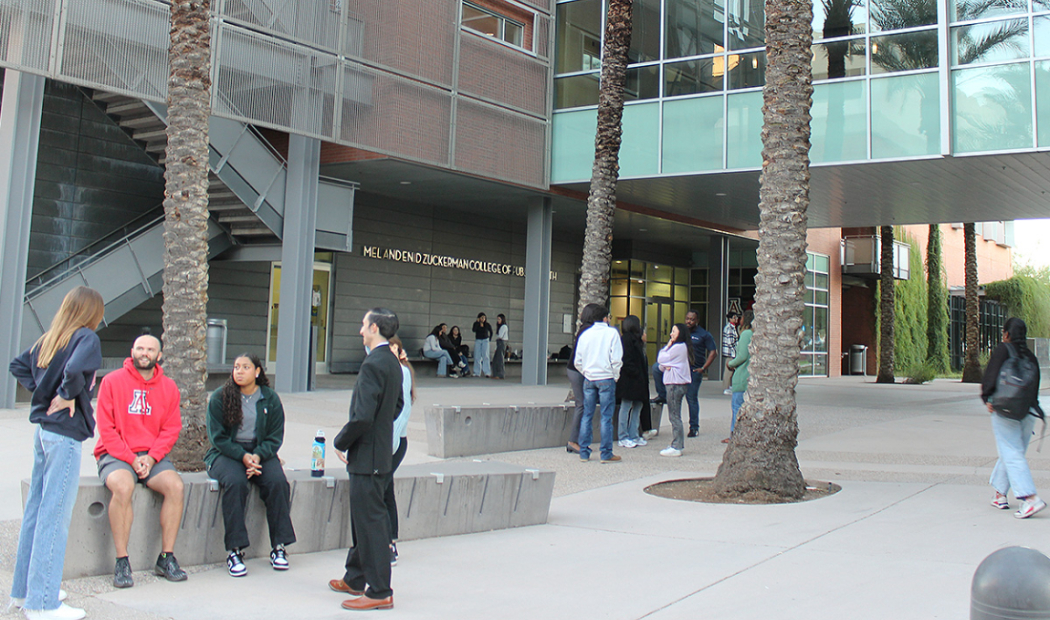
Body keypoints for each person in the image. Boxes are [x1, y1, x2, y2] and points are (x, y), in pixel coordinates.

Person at [9, 286, 104, 620]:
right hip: (62, 433)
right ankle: (43, 602)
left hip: (43, 432)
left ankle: (26, 592)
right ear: (92, 311)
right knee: (55, 516)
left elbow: (18, 366)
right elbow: (76, 370)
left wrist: (43, 392)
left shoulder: (51, 338)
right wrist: (64, 394)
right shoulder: (85, 338)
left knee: (36, 512)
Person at [94, 335, 186, 588]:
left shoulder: (168, 387)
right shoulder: (112, 382)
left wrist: (152, 456)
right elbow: (106, 428)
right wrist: (130, 459)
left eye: (150, 349)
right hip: (116, 454)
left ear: (159, 355)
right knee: (123, 487)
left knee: (176, 487)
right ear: (132, 350)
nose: (144, 353)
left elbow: (171, 429)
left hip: (152, 456)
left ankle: (166, 557)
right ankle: (122, 561)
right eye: (140, 348)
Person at [329, 308, 403, 611]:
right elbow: (396, 405)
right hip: (380, 453)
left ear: (374, 328)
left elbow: (362, 416)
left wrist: (341, 442)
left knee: (371, 522)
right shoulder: (393, 362)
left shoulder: (373, 363)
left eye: (363, 325)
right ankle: (356, 577)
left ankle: (379, 591)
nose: (361, 330)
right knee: (365, 518)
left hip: (367, 456)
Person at [205, 354, 296, 577]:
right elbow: (217, 438)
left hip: (260, 451)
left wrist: (257, 455)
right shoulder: (220, 397)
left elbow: (275, 436)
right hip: (226, 452)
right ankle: (235, 551)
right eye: (236, 367)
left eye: (246, 367)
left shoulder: (270, 398)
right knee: (236, 483)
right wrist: (243, 457)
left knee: (276, 483)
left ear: (257, 372)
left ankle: (279, 547)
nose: (239, 371)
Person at [982, 317, 1046, 519]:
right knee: (1013, 451)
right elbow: (1035, 385)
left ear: (1006, 334)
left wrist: (987, 398)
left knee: (1011, 452)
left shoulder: (1003, 349)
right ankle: (1000, 494)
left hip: (1005, 409)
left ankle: (1029, 498)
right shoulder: (1030, 355)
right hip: (1027, 411)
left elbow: (990, 377)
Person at [573, 304, 623, 463]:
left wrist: (586, 372)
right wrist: (615, 375)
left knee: (587, 415)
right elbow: (616, 358)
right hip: (606, 377)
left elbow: (577, 361)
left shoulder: (585, 335)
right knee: (606, 416)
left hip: (589, 378)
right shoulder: (612, 333)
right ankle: (606, 453)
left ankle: (584, 452)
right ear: (605, 318)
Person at [385, 336, 414, 566]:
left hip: (394, 442)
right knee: (384, 488)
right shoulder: (385, 370)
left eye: (393, 349)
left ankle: (389, 543)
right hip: (386, 442)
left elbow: (403, 411)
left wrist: (389, 444)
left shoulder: (402, 373)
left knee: (383, 488)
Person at [565, 305, 605, 454]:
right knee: (581, 404)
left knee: (583, 404)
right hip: (578, 370)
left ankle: (578, 440)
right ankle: (573, 441)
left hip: (577, 369)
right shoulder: (588, 330)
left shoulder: (585, 328)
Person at [657, 323, 693, 457]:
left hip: (674, 384)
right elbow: (661, 365)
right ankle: (676, 443)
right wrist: (666, 364)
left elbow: (661, 358)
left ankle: (677, 445)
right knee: (675, 414)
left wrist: (668, 345)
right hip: (677, 384)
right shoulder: (681, 347)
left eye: (674, 331)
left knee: (674, 415)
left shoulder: (678, 347)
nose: (671, 334)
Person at [616, 315, 648, 448]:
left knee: (637, 406)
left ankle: (633, 434)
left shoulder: (636, 340)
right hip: (630, 379)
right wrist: (636, 373)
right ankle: (623, 436)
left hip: (637, 379)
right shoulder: (627, 339)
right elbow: (626, 359)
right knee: (627, 406)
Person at [724, 310, 753, 443]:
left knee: (737, 407)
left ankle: (734, 436)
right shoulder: (754, 334)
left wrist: (731, 363)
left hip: (742, 377)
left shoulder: (746, 334)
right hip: (750, 377)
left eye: (741, 318)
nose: (739, 320)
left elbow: (742, 356)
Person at [721, 311, 742, 395]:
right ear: (730, 319)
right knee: (728, 370)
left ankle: (729, 386)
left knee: (731, 370)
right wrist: (736, 350)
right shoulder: (729, 328)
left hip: (732, 352)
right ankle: (726, 387)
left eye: (736, 317)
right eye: (734, 317)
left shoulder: (733, 327)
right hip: (730, 353)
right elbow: (730, 342)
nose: (736, 319)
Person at [472, 313, 493, 378]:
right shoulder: (476, 324)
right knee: (477, 356)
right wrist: (477, 322)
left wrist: (489, 339)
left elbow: (491, 331)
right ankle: (477, 372)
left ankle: (487, 372)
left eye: (484, 318)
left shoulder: (487, 324)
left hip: (485, 340)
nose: (483, 319)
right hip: (478, 340)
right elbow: (474, 330)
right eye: (481, 317)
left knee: (485, 356)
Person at [492, 314, 509, 380]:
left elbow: (500, 336)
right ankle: (495, 373)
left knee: (500, 359)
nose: (498, 321)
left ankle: (500, 374)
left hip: (501, 342)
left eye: (499, 319)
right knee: (495, 359)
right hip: (499, 343)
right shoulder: (500, 327)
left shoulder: (504, 326)